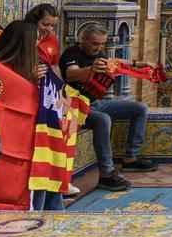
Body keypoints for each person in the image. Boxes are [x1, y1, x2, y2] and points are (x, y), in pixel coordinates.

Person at [61, 25, 155, 191]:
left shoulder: (97, 53)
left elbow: (115, 63)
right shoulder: (71, 54)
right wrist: (90, 69)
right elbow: (71, 73)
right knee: (103, 120)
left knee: (139, 108)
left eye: (102, 44)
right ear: (83, 40)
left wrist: (139, 64)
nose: (98, 48)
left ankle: (131, 159)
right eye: (95, 44)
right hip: (74, 106)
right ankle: (106, 173)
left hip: (95, 103)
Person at [0, 21, 61, 210]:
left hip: (35, 134)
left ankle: (53, 213)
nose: (39, 42)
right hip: (11, 140)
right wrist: (29, 81)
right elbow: (5, 101)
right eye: (35, 38)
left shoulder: (28, 65)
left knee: (47, 170)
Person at [25, 3, 61, 68]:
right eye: (45, 24)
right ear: (34, 21)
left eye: (53, 26)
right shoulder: (23, 36)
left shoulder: (52, 39)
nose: (49, 29)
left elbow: (54, 66)